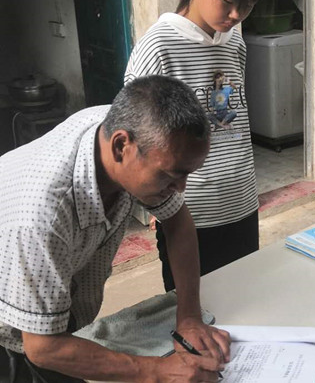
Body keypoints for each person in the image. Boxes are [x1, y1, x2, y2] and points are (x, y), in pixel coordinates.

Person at [0, 75, 230, 382]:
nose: (180, 188)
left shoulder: (126, 132)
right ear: (121, 146)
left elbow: (177, 220)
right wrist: (156, 371)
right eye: (171, 175)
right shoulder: (42, 214)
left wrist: (189, 316)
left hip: (54, 316)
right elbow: (43, 348)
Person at [125, 0, 267, 289]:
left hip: (242, 203)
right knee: (194, 312)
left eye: (247, 5)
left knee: (247, 300)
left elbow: (234, 117)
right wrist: (156, 202)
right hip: (188, 216)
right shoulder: (158, 47)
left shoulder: (234, 41)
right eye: (228, 1)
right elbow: (136, 138)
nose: (236, 15)